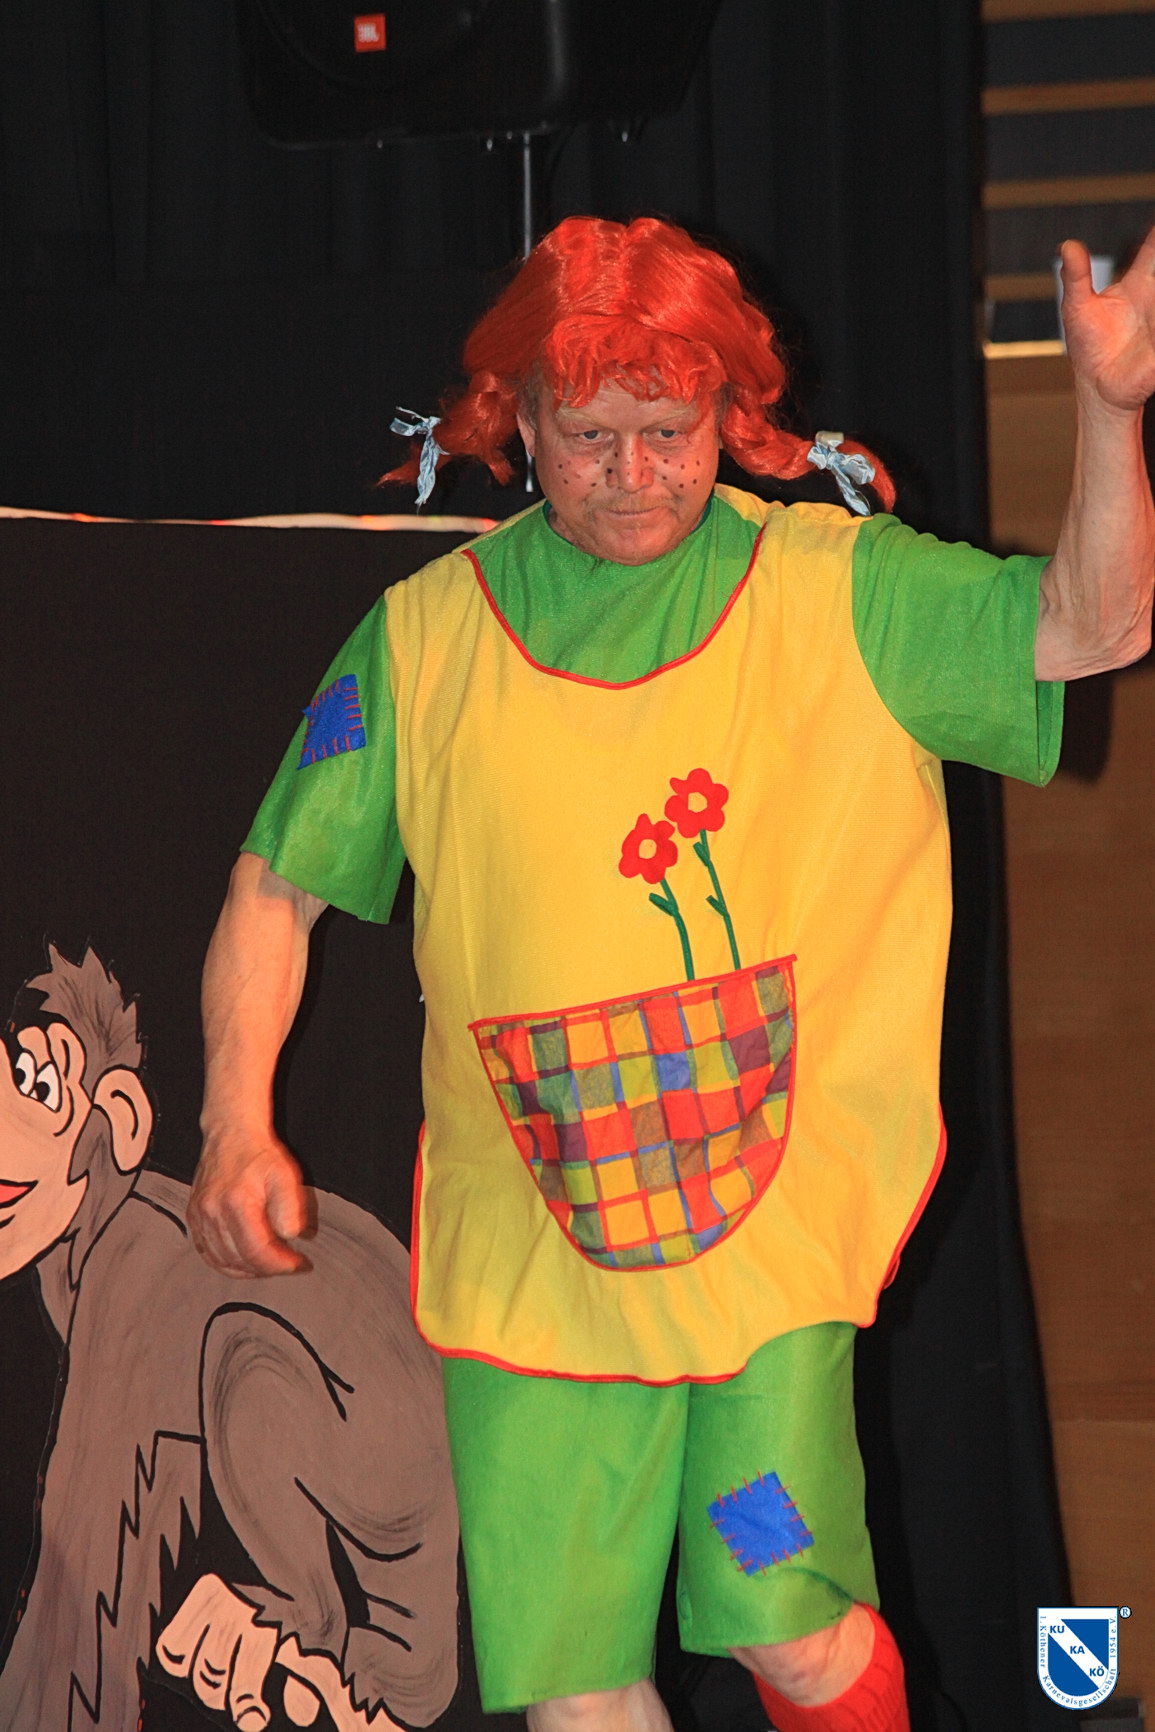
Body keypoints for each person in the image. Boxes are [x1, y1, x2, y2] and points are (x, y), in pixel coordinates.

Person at [189, 216, 1155, 1732]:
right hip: (531, 1274)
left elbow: (1093, 626)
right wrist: (233, 1118)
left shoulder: (841, 588)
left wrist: (1106, 411)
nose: (633, 472)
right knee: (577, 1691)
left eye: (670, 432)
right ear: (519, 425)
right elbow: (273, 886)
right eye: (589, 438)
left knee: (790, 1627)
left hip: (758, 1259)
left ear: (730, 418)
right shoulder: (424, 641)